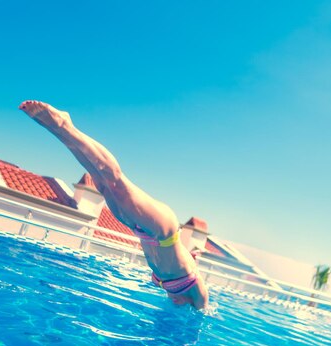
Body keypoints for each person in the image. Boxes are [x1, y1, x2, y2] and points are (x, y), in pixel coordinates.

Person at [19, 100, 209, 310]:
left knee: (101, 183)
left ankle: (56, 129)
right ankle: (64, 124)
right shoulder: (198, 295)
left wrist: (188, 257)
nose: (175, 303)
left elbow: (177, 260)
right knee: (115, 182)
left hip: (143, 231)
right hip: (162, 231)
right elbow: (202, 314)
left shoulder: (172, 289)